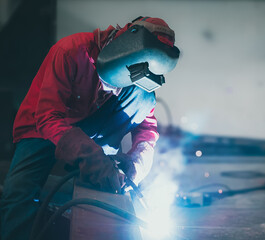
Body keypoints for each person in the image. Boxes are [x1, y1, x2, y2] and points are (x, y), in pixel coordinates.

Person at [0, 16, 179, 240]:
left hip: (92, 130)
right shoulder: (70, 51)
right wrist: (90, 155)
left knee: (143, 97)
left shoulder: (140, 77)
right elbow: (47, 117)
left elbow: (147, 130)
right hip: (42, 125)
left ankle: (103, 177)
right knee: (18, 193)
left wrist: (136, 164)